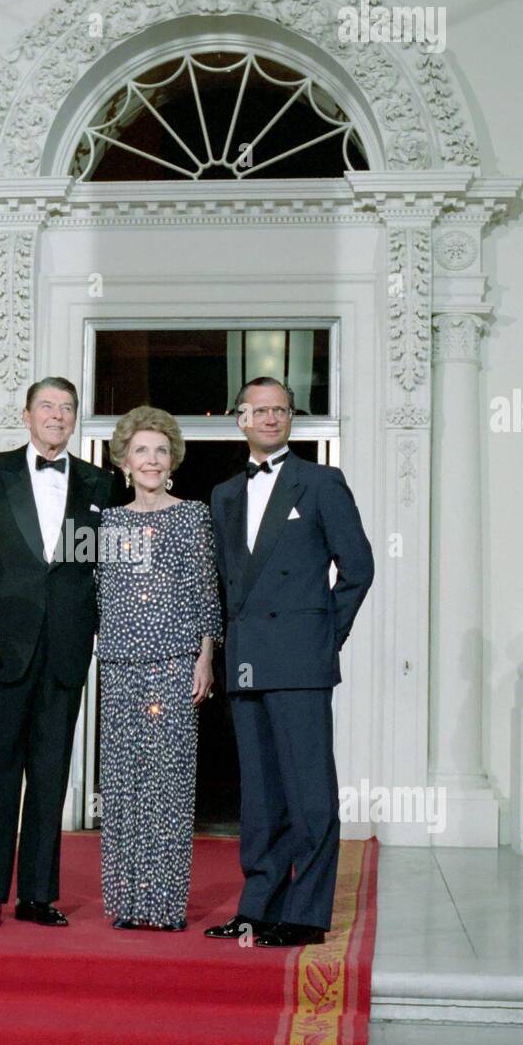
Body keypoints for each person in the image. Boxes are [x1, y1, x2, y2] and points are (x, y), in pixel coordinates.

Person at [206, 377, 374, 947]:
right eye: (260, 410)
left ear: (291, 418)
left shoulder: (322, 482)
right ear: (240, 419)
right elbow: (228, 584)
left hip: (301, 660)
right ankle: (258, 906)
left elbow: (358, 568)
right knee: (259, 793)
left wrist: (326, 639)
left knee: (309, 792)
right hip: (247, 660)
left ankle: (304, 913)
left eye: (280, 410)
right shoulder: (225, 494)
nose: (271, 418)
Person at [0, 378, 114, 927]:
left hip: (67, 647)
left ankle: (37, 896)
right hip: (5, 645)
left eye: (66, 408)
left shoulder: (101, 481)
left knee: (51, 772)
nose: (56, 416)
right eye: (46, 407)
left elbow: (106, 566)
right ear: (26, 416)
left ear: (75, 420)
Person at [96, 407, 222, 931]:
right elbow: (103, 592)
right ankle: (127, 905)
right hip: (120, 665)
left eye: (161, 451)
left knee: (168, 785)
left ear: (173, 461)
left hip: (173, 665)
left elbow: (206, 591)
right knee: (123, 786)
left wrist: (206, 657)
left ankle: (165, 906)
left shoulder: (192, 515)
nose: (151, 460)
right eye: (142, 450)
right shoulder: (108, 521)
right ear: (125, 460)